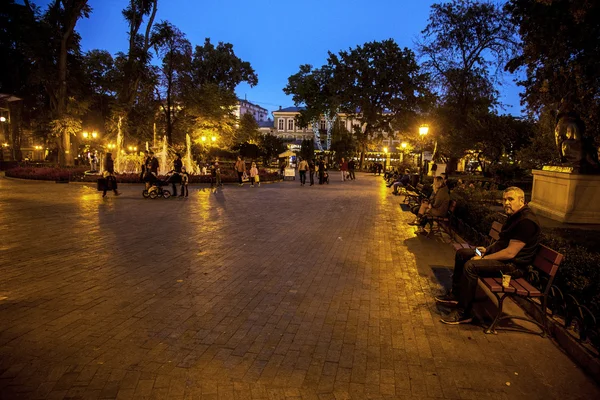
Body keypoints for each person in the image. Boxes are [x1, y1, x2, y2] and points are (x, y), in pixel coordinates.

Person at [436, 186, 541, 325]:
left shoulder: (526, 221)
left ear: (522, 200)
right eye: (504, 200)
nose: (506, 203)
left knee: (471, 266)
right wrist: (486, 250)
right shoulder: (515, 216)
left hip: (512, 267)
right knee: (462, 254)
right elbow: (502, 241)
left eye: (510, 199)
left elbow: (510, 253)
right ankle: (456, 294)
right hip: (501, 258)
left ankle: (464, 313)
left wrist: (484, 259)